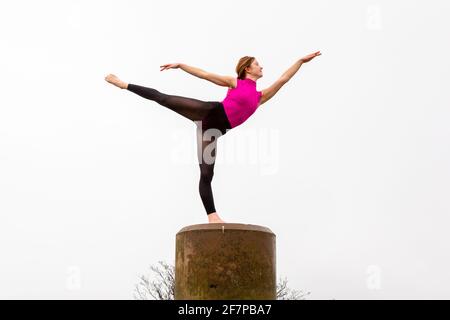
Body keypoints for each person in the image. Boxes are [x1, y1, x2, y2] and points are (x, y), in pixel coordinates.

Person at [105, 51, 321, 223]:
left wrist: (300, 61)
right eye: (258, 64)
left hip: (212, 131)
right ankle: (124, 84)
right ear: (248, 68)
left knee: (207, 173)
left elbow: (283, 80)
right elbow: (205, 75)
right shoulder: (235, 82)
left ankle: (212, 216)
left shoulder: (260, 96)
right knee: (163, 98)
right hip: (209, 112)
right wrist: (181, 65)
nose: (262, 66)